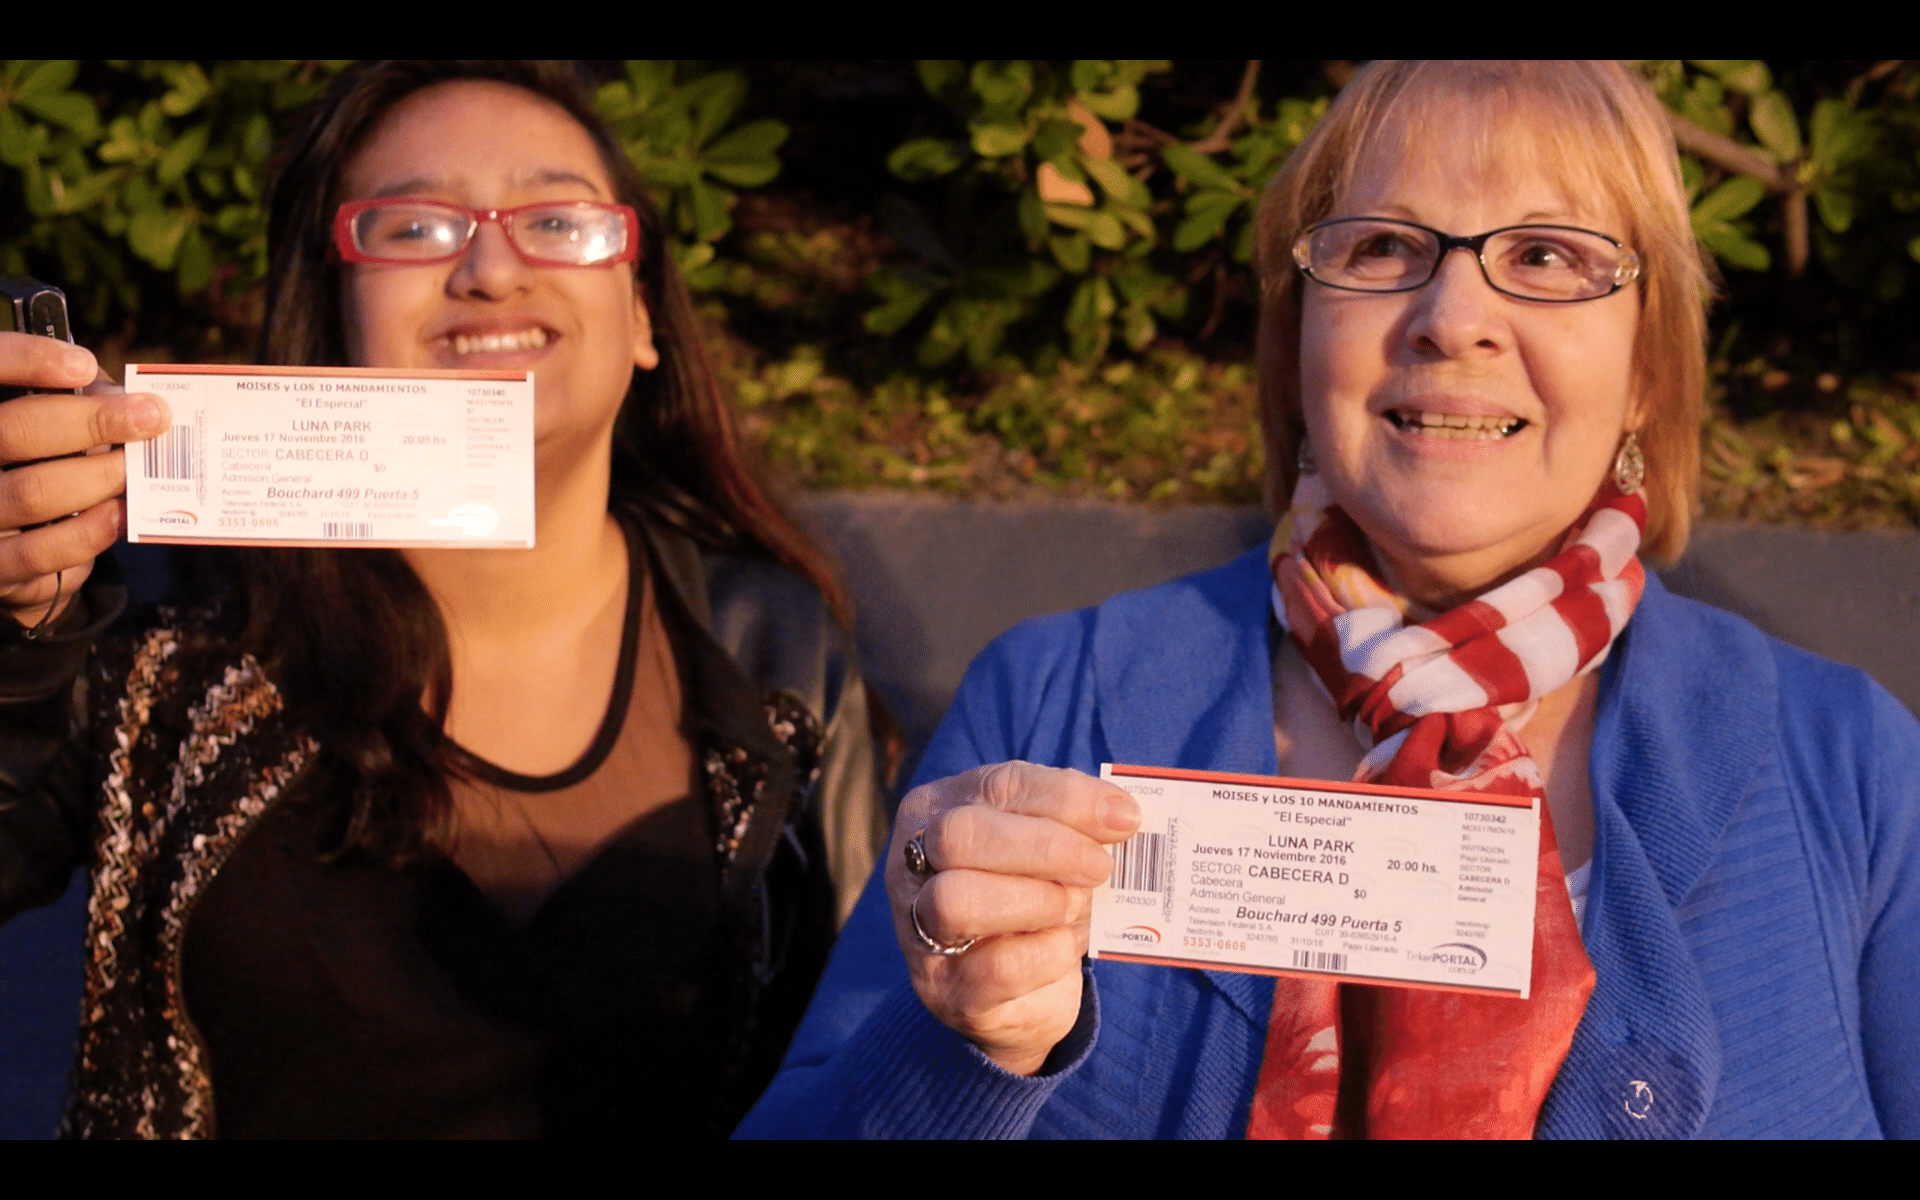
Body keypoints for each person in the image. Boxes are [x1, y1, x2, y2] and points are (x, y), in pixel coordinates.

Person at [738, 60, 1920, 1139]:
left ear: (1648, 373)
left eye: (1549, 256)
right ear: (1298, 341)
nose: (1453, 319)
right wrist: (965, 1048)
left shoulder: (1852, 763)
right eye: (1382, 249)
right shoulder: (1053, 698)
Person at [0, 60, 888, 1139]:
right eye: (413, 229)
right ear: (330, 317)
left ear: (644, 316)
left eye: (556, 221)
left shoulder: (775, 648)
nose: (492, 267)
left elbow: (855, 1054)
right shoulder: (160, 615)